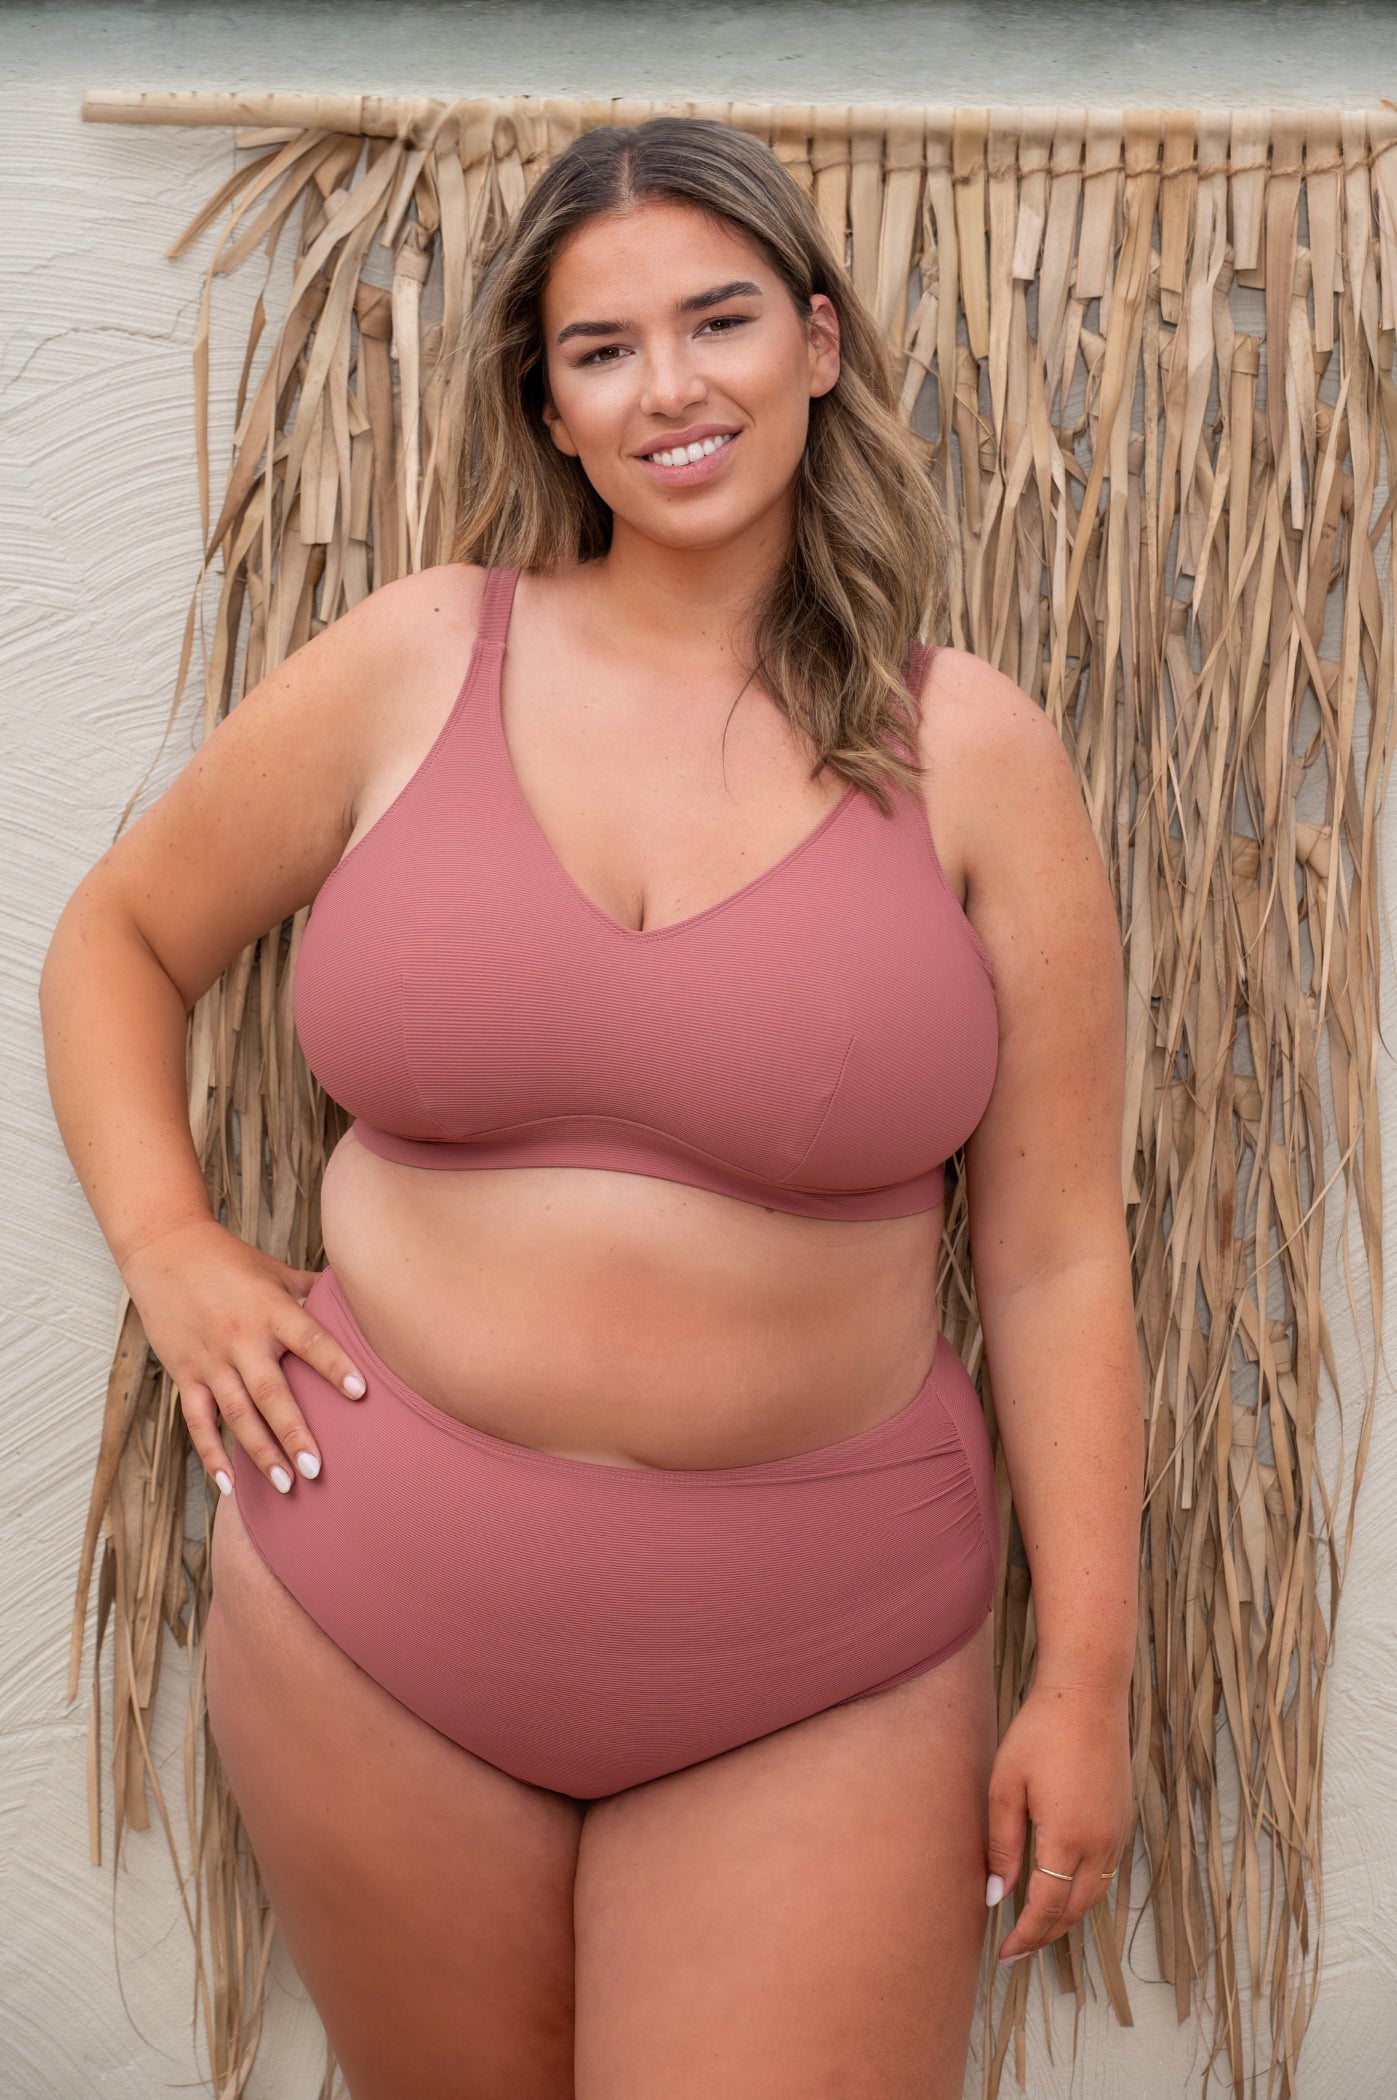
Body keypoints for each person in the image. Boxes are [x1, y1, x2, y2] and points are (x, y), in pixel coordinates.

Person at [40, 115, 1142, 2100]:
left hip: (824, 1650)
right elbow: (116, 938)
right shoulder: (414, 657)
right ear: (547, 407)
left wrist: (1085, 1679)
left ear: (818, 340)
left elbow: (1057, 1257)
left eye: (720, 321)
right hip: (372, 1609)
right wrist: (172, 1247)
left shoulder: (973, 751)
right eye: (602, 349)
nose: (670, 390)